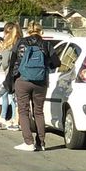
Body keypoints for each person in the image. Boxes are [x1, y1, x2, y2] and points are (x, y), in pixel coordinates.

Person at [8, 20, 57, 151]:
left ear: (28, 31)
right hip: (41, 81)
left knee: (23, 111)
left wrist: (11, 79)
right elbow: (56, 62)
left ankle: (28, 142)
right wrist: (46, 66)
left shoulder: (20, 42)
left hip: (22, 80)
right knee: (39, 112)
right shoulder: (46, 44)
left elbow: (12, 62)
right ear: (41, 31)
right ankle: (41, 143)